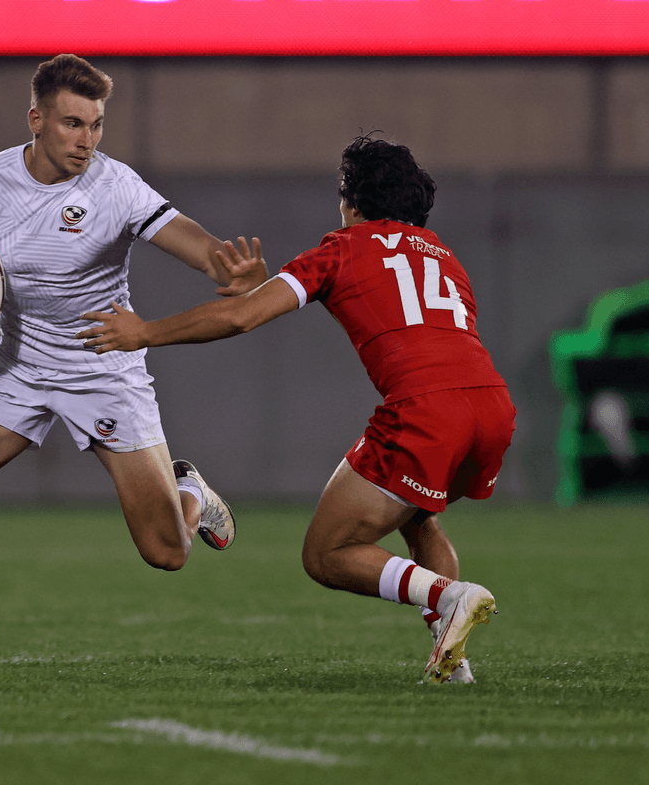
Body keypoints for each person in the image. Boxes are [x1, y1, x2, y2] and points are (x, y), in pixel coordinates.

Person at [0, 54, 262, 675]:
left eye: (97, 125)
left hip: (103, 367)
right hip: (18, 367)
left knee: (168, 554)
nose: (87, 140)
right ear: (36, 120)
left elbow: (201, 247)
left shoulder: (115, 186)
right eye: (74, 124)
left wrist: (227, 268)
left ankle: (187, 491)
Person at [78, 134, 516, 684]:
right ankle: (454, 665)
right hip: (492, 409)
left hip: (426, 412)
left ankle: (450, 596)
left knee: (327, 553)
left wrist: (144, 332)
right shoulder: (445, 258)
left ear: (351, 200)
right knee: (417, 515)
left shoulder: (341, 246)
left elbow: (241, 318)